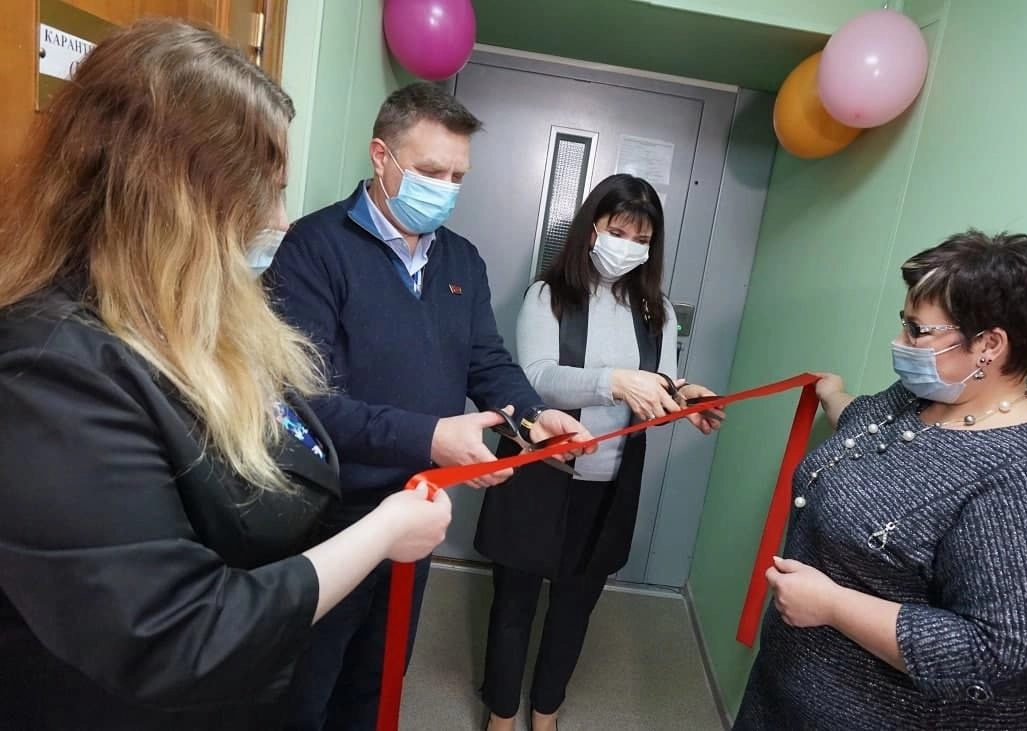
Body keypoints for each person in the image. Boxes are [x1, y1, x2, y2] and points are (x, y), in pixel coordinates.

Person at [0, 20, 453, 731]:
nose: (282, 219)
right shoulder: (48, 371)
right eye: (263, 193)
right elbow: (180, 634)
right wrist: (383, 529)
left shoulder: (197, 323)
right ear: (170, 195)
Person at [265, 82, 593, 730]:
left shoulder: (462, 260)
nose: (445, 189)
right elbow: (303, 400)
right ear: (380, 156)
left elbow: (487, 362)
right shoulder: (313, 247)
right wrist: (431, 436)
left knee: (380, 675)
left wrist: (532, 418)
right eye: (430, 171)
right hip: (329, 516)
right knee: (306, 686)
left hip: (418, 508)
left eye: (457, 177)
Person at [732, 231, 1027, 729]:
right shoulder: (922, 398)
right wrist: (833, 395)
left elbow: (998, 656)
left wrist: (834, 606)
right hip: (784, 693)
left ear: (988, 345)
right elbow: (869, 430)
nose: (900, 342)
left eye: (916, 330)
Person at [474, 174, 724, 731]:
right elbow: (536, 379)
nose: (628, 248)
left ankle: (546, 711)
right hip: (539, 472)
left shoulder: (657, 310)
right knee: (513, 603)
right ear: (592, 229)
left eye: (642, 240)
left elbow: (661, 381)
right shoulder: (549, 295)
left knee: (575, 606)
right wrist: (614, 381)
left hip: (608, 485)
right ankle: (501, 714)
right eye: (619, 232)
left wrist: (685, 396)